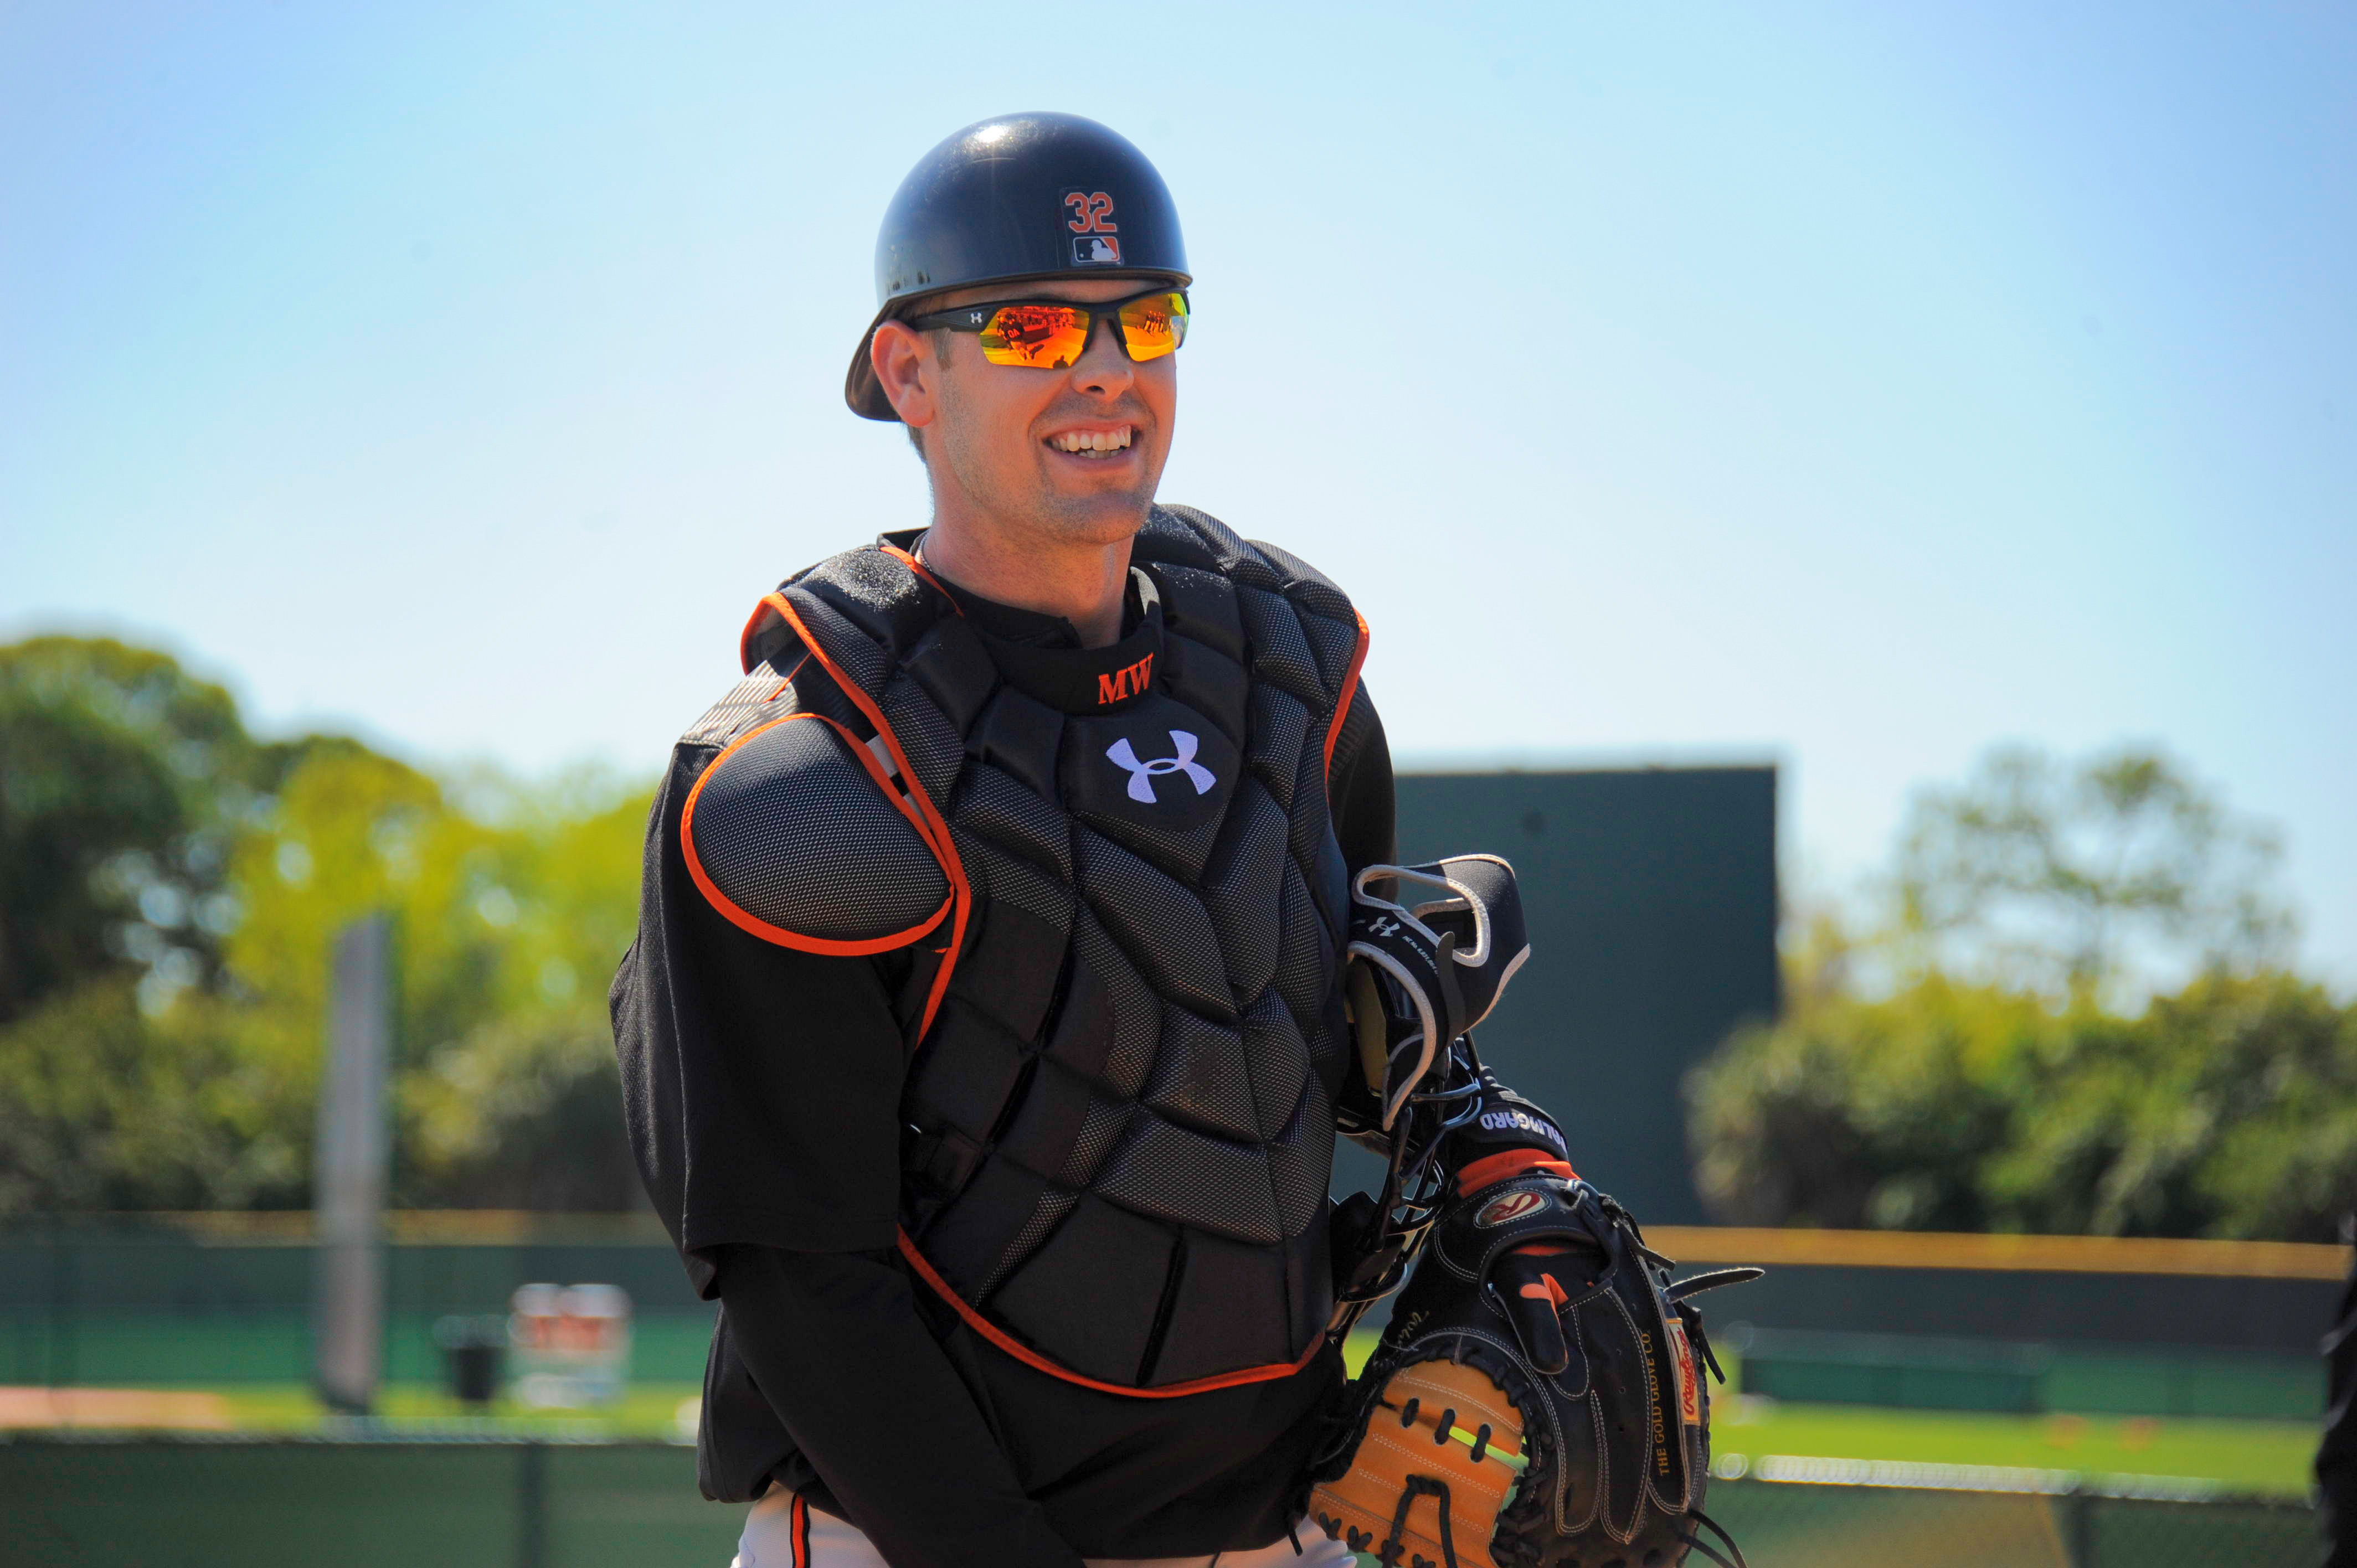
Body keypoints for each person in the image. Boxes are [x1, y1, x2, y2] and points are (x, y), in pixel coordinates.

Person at [610, 111, 1571, 1568]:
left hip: (1270, 1521)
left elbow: (1318, 1059)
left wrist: (1494, 1154)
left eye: (1145, 317)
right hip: (908, 1539)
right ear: (907, 370)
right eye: (1037, 324)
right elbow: (797, 1272)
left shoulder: (1290, 680)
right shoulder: (798, 776)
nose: (1104, 367)